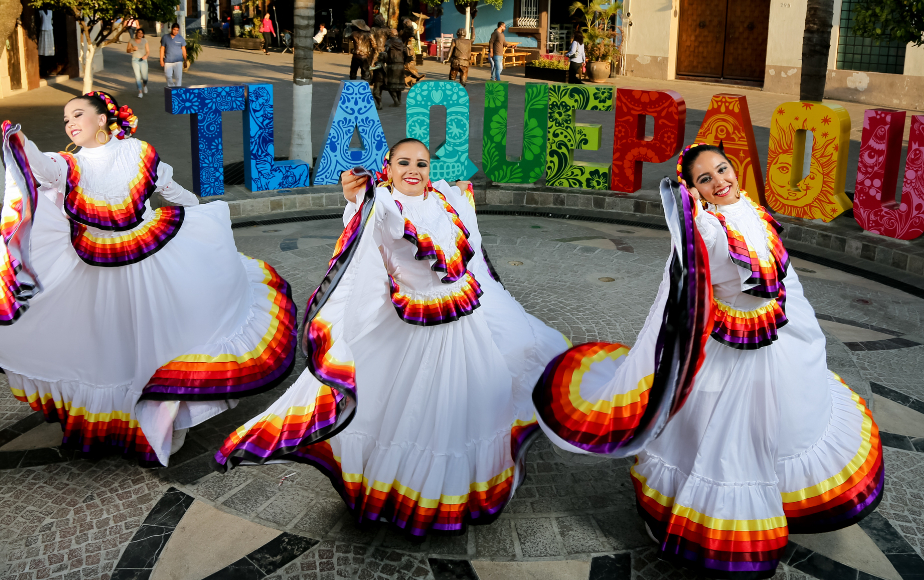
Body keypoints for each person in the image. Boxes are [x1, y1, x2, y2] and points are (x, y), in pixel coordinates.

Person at [532, 143, 885, 579]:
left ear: (734, 169)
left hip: (776, 339)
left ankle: (776, 496)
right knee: (725, 438)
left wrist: (804, 330)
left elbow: (782, 276)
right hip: (727, 346)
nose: (719, 182)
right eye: (705, 179)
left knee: (781, 425)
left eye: (722, 169)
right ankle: (719, 524)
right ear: (694, 190)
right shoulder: (707, 230)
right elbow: (688, 281)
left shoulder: (749, 208)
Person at [214, 139, 570, 539]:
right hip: (413, 324)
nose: (413, 169)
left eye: (421, 163)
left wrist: (459, 192)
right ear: (389, 167)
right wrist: (353, 196)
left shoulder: (442, 201)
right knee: (413, 409)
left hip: (461, 324)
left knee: (457, 406)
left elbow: (464, 231)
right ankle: (404, 491)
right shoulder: (383, 205)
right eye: (404, 162)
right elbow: (360, 226)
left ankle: (450, 491)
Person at [0, 92, 298, 467]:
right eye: (66, 119)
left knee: (167, 337)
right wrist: (20, 142)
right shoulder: (69, 164)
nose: (70, 123)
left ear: (102, 119)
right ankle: (125, 419)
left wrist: (201, 214)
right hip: (98, 267)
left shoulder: (138, 151)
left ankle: (171, 417)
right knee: (113, 347)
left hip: (153, 255)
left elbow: (168, 187)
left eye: (77, 114)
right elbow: (41, 168)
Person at [127, 29, 150, 98]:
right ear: (136, 33)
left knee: (145, 77)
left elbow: (148, 51)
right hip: (135, 60)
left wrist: (146, 56)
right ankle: (140, 92)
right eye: (139, 32)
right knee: (138, 77)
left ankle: (144, 85)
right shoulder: (131, 40)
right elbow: (127, 50)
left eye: (142, 33)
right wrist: (132, 49)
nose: (140, 34)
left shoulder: (145, 41)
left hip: (143, 59)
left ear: (143, 34)